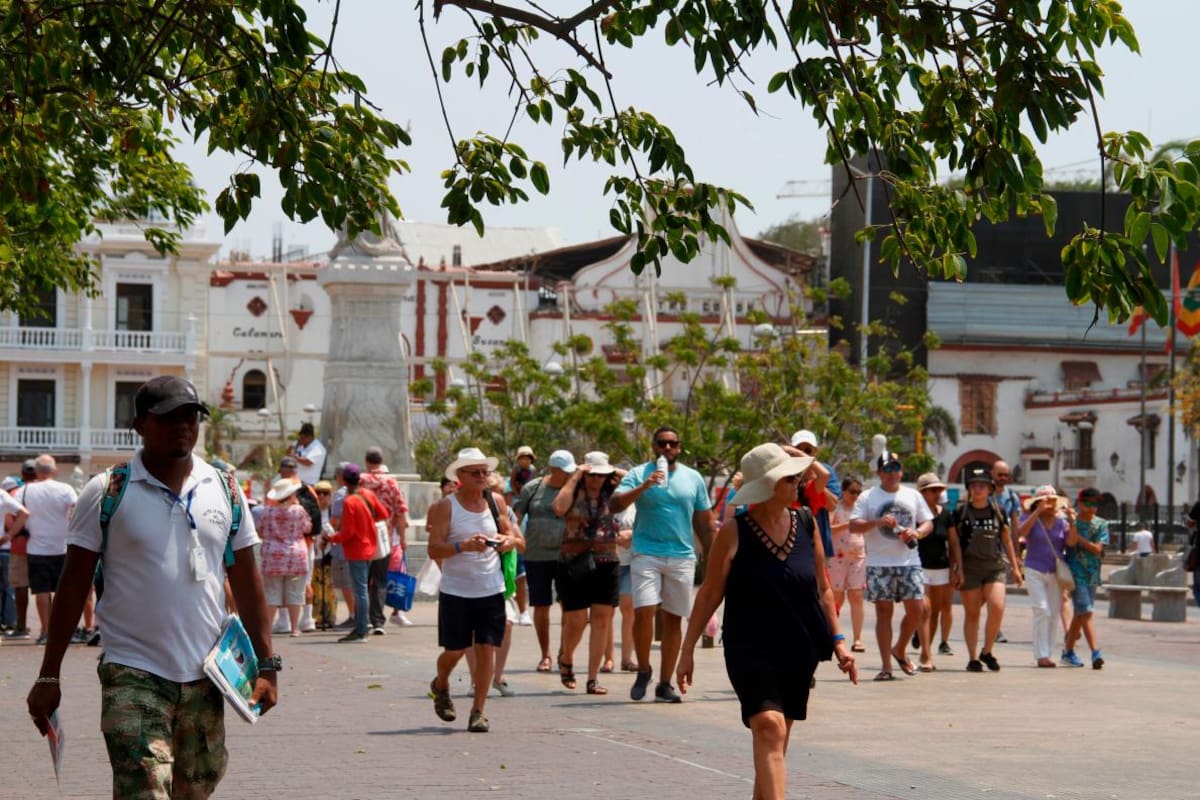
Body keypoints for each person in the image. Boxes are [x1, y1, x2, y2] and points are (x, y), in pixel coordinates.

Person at [26, 375, 276, 799]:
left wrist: (267, 665)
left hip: (206, 677)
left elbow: (248, 581)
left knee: (195, 791)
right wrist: (49, 673)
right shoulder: (107, 491)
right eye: (168, 418)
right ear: (139, 424)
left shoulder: (226, 488)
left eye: (190, 418)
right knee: (143, 789)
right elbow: (73, 584)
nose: (182, 427)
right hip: (132, 672)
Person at [677, 443, 857, 800]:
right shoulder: (733, 532)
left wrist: (838, 640)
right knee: (769, 728)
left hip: (799, 647)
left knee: (773, 742)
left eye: (796, 476)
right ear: (767, 485)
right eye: (789, 478)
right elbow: (710, 593)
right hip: (750, 648)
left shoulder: (806, 524)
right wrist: (687, 650)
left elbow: (823, 588)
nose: (797, 482)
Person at [610, 426, 715, 703]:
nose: (667, 448)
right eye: (662, 443)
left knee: (673, 618)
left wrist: (714, 559)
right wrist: (644, 486)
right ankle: (643, 669)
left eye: (673, 444)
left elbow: (704, 522)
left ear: (679, 448)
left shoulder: (693, 478)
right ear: (654, 446)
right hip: (646, 552)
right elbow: (614, 504)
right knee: (643, 610)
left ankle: (664, 684)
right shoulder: (638, 473)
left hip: (681, 554)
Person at [425, 447, 521, 733]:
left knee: (487, 649)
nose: (482, 477)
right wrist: (462, 546)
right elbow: (433, 549)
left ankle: (478, 711)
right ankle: (441, 683)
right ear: (459, 477)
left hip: (491, 588)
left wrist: (506, 542)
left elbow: (515, 538)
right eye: (475, 472)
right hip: (456, 591)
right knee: (454, 651)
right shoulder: (446, 507)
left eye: (485, 472)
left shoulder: (497, 502)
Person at [849, 451, 932, 681]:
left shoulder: (913, 495)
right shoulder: (867, 496)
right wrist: (877, 522)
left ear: (902, 471)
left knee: (918, 609)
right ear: (879, 473)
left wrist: (917, 532)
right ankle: (887, 666)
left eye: (896, 468)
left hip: (909, 560)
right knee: (883, 612)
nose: (892, 473)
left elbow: (927, 522)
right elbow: (854, 526)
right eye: (887, 469)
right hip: (879, 562)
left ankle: (900, 648)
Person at [551, 451, 623, 695]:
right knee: (577, 620)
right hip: (574, 561)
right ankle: (566, 657)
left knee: (602, 618)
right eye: (592, 475)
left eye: (600, 475)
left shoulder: (612, 491)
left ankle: (592, 678)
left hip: (607, 560)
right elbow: (558, 508)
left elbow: (634, 479)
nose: (596, 480)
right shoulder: (573, 490)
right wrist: (576, 475)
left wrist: (612, 472)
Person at [948, 467, 1023, 672]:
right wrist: (957, 570)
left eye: (982, 485)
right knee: (972, 614)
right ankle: (973, 657)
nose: (978, 489)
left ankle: (987, 650)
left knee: (997, 607)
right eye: (974, 485)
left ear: (990, 489)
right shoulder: (961, 512)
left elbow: (1006, 541)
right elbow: (955, 546)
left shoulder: (999, 511)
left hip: (994, 567)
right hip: (970, 568)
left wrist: (1016, 568)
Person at [512, 449, 574, 672]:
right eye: (564, 472)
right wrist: (514, 539)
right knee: (541, 604)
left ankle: (565, 651)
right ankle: (545, 654)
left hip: (566, 555)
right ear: (553, 469)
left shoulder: (574, 488)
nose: (567, 475)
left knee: (569, 606)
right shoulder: (533, 487)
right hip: (537, 554)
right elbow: (516, 516)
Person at [322, 463, 387, 642]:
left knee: (360, 591)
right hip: (370, 547)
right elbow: (383, 514)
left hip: (356, 549)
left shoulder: (349, 501)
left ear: (343, 479)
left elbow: (348, 533)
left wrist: (332, 537)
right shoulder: (368, 494)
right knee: (363, 589)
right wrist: (366, 524)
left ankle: (361, 629)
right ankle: (362, 626)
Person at [22, 454, 80, 645]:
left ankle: (46, 631)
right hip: (62, 546)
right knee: (62, 592)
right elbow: (76, 509)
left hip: (36, 547)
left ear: (37, 471)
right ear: (54, 470)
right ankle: (62, 631)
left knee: (41, 592)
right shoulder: (65, 489)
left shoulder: (26, 490)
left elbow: (16, 511)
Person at [1015, 485, 1072, 668]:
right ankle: (1041, 655)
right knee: (1042, 610)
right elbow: (1020, 533)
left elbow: (1070, 543)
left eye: (1052, 501)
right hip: (1034, 569)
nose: (1049, 504)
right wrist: (1037, 512)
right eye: (1045, 501)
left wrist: (1073, 521)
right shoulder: (1030, 518)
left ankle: (1047, 652)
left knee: (1053, 612)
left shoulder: (1062, 522)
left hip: (1055, 571)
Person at [360, 446, 410, 630]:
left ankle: (362, 618)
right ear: (382, 461)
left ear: (366, 461)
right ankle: (378, 621)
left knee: (363, 580)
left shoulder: (361, 481)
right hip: (385, 539)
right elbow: (401, 511)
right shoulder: (391, 482)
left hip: (363, 538)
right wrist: (403, 539)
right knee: (380, 580)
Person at [259, 478, 314, 637]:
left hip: (272, 557)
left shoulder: (267, 511)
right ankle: (295, 628)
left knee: (272, 592)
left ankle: (267, 628)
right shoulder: (298, 511)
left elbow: (260, 531)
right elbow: (307, 528)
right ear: (291, 494)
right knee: (296, 592)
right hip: (296, 555)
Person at [1064, 487, 1108, 669]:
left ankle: (1068, 651)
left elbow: (1098, 549)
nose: (1092, 508)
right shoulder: (1071, 523)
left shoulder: (1101, 524)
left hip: (1093, 572)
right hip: (1076, 572)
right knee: (1087, 611)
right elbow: (1070, 543)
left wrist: (1082, 540)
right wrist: (1073, 524)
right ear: (1080, 503)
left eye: (1095, 504)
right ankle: (1095, 652)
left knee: (1080, 613)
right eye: (1088, 503)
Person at [914, 473, 954, 671]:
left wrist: (957, 569)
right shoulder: (914, 514)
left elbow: (953, 544)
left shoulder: (946, 514)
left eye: (939, 490)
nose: (938, 493)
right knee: (925, 610)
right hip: (919, 567)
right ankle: (926, 656)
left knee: (936, 611)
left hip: (941, 568)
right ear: (922, 493)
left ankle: (925, 646)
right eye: (933, 490)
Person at [828, 474, 866, 653]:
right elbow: (828, 529)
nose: (856, 496)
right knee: (837, 597)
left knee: (856, 596)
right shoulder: (836, 507)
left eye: (859, 492)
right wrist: (847, 525)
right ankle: (833, 634)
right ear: (844, 491)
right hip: (837, 557)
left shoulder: (862, 509)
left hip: (858, 557)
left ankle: (857, 639)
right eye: (852, 492)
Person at [991, 459, 1021, 644]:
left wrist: (1016, 554)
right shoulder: (983, 493)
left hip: (1002, 549)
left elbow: (1015, 528)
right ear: (992, 473)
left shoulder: (1012, 497)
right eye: (999, 474)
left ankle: (996, 629)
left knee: (998, 592)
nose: (1002, 478)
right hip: (981, 549)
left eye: (1005, 475)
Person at [0, 476, 30, 633]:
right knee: (10, 588)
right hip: (6, 548)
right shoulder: (5, 498)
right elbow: (22, 515)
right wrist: (9, 536)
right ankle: (12, 623)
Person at [311, 480, 338, 629]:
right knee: (315, 587)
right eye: (318, 493)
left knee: (329, 586)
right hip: (314, 553)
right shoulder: (311, 510)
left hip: (329, 554)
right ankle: (317, 617)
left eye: (325, 493)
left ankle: (330, 616)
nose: (321, 496)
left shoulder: (333, 512)